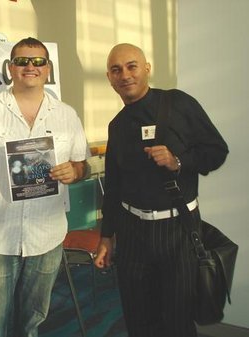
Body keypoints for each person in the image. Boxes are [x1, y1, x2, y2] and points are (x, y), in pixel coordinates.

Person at [0, 37, 89, 337]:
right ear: (10, 68)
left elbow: (83, 165)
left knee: (34, 319)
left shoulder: (67, 115)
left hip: (47, 236)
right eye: (23, 61)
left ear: (48, 68)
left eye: (38, 61)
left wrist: (75, 170)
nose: (31, 66)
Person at [94, 43, 229, 337]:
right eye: (116, 70)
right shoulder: (117, 125)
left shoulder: (178, 103)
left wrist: (178, 161)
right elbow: (114, 186)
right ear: (109, 77)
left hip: (176, 229)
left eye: (131, 66)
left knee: (177, 318)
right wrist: (106, 236)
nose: (125, 75)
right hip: (131, 232)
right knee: (138, 316)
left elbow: (217, 151)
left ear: (146, 69)